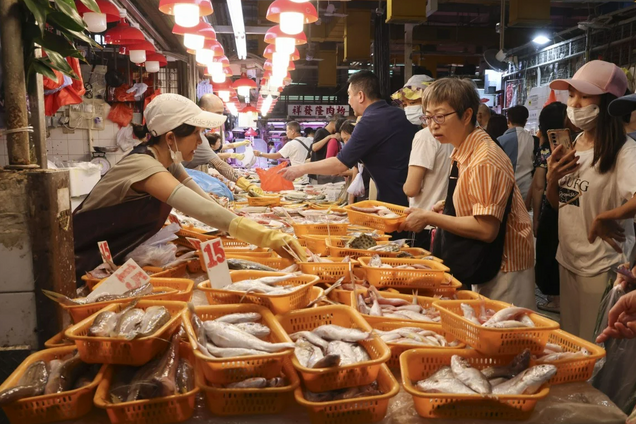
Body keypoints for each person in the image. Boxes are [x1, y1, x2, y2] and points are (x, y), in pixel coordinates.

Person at [73, 94, 305, 282]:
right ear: (171, 138)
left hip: (113, 254)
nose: (200, 141)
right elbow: (200, 210)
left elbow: (203, 199)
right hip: (83, 259)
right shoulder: (144, 166)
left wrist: (230, 219)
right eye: (196, 133)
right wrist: (269, 238)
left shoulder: (167, 162)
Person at [400, 78, 535, 308]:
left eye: (440, 116)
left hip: (504, 267)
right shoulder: (465, 147)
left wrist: (429, 217)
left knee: (504, 336)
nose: (433, 124)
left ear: (466, 115)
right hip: (486, 261)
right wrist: (451, 204)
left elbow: (486, 229)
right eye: (428, 117)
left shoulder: (484, 158)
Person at [546, 60, 635, 342]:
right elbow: (559, 203)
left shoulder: (624, 150)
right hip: (569, 258)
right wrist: (552, 178)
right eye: (572, 95)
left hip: (601, 265)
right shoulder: (574, 143)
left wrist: (605, 217)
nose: (575, 104)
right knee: (571, 341)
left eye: (585, 96)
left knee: (594, 347)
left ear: (609, 102)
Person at [279, 70, 416, 207]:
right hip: (412, 198)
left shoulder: (370, 121)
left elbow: (339, 164)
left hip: (396, 202)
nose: (349, 101)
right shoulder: (396, 113)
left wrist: (300, 169)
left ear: (361, 96)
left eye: (349, 95)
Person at [180, 93, 262, 196]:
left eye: (222, 113)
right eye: (217, 113)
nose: (220, 117)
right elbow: (219, 164)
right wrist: (247, 185)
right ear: (203, 110)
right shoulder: (196, 136)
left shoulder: (200, 135)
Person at [402, 93, 454, 251]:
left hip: (425, 223)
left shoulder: (424, 137)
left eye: (412, 101)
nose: (407, 106)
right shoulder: (453, 135)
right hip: (447, 222)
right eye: (405, 102)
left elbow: (411, 189)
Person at [531, 101, 567, 313]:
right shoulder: (574, 145)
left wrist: (536, 217)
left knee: (548, 252)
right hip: (571, 207)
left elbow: (538, 185)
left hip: (551, 208)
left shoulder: (546, 150)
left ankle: (556, 300)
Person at [498, 105, 535, 201]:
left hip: (504, 189)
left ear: (508, 120)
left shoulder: (500, 141)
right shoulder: (534, 140)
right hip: (528, 189)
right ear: (525, 121)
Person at [309, 116, 341, 184]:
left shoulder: (333, 135)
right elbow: (314, 147)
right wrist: (328, 137)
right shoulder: (321, 132)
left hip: (324, 172)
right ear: (334, 122)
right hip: (316, 173)